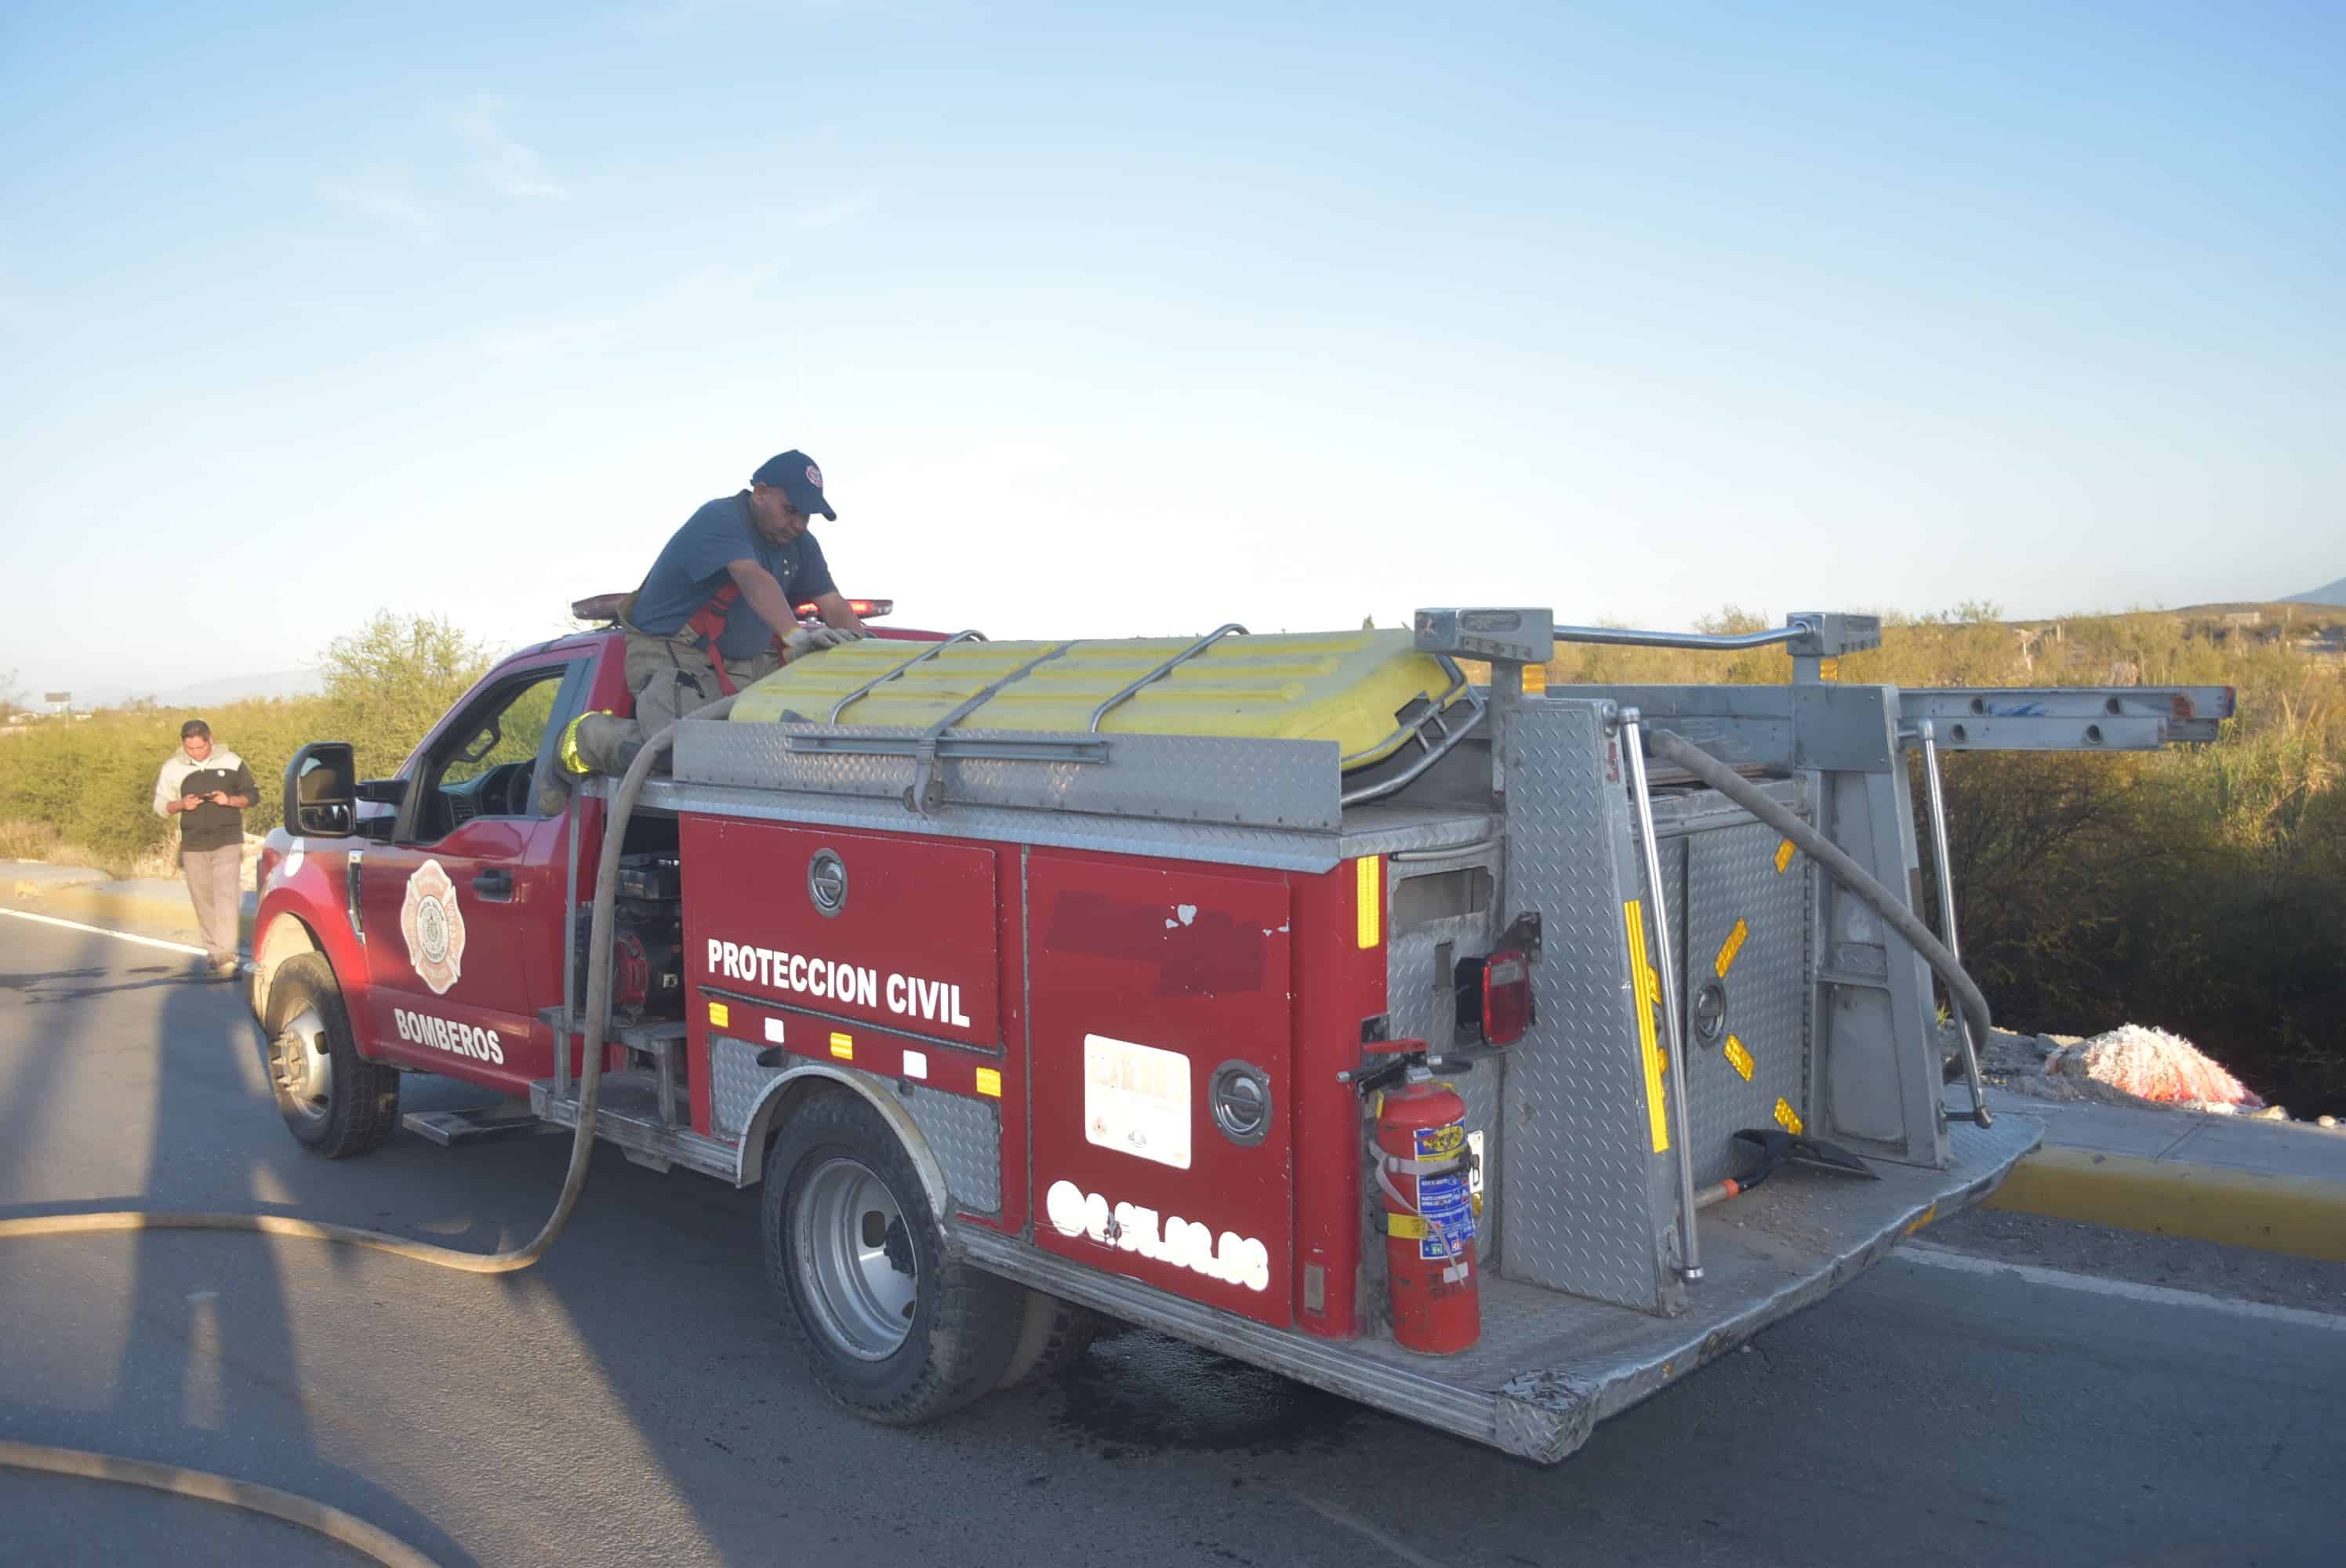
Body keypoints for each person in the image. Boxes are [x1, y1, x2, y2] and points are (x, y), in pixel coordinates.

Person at [622, 449, 870, 734]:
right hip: (672, 652)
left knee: (774, 745)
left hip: (739, 664)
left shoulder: (801, 544)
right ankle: (594, 736)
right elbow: (752, 578)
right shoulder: (720, 518)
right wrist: (797, 637)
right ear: (761, 493)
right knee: (681, 750)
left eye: (806, 515)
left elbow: (833, 603)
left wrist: (863, 657)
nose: (800, 524)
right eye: (791, 510)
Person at [152, 719, 258, 978]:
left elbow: (253, 796)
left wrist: (229, 800)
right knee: (203, 900)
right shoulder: (172, 768)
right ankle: (215, 953)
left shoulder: (232, 761)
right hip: (193, 843)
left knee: (226, 896)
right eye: (190, 749)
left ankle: (226, 956)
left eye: (200, 748)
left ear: (210, 740)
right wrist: (181, 805)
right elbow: (159, 806)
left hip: (228, 841)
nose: (195, 753)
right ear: (184, 745)